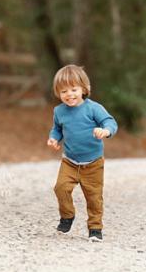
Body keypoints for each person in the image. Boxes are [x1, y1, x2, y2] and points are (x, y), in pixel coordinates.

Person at [46, 64, 118, 242]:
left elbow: (110, 122)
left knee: (93, 197)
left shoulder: (93, 108)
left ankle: (95, 228)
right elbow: (57, 129)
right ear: (58, 93)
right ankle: (67, 216)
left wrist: (105, 131)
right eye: (64, 91)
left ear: (83, 89)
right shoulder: (59, 111)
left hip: (93, 163)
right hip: (69, 161)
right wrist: (53, 139)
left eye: (73, 89)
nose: (69, 94)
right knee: (60, 188)